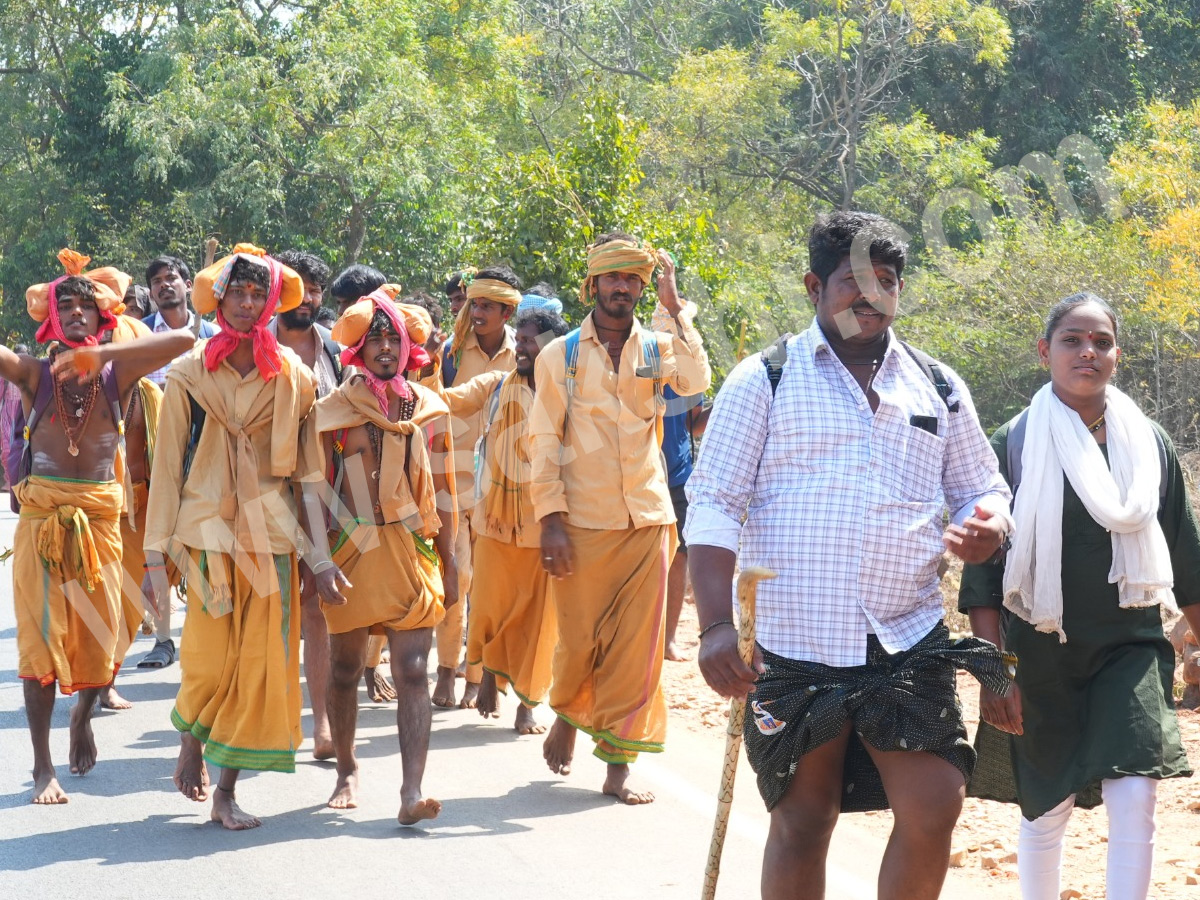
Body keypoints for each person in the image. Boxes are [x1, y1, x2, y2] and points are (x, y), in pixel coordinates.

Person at [687, 210, 1016, 900]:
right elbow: (713, 503)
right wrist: (716, 626)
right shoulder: (764, 379)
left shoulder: (939, 386)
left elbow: (981, 486)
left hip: (906, 635)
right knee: (806, 821)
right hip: (793, 644)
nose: (869, 297)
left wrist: (987, 522)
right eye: (851, 283)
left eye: (886, 282)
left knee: (935, 805)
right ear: (814, 286)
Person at [959, 292, 1200, 900]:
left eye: (1101, 341)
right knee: (1046, 806)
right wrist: (995, 672)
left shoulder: (1149, 445)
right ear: (1045, 351)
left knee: (1136, 791)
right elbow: (985, 573)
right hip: (1040, 651)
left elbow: (1187, 557)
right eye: (1072, 339)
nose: (1087, 352)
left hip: (1131, 645)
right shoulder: (1012, 442)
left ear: (1117, 355)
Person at [7, 248, 195, 805]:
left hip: (102, 525)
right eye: (64, 307)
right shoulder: (34, 374)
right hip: (42, 522)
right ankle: (43, 768)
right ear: (50, 321)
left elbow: (185, 343)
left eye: (86, 308)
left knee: (102, 635)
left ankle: (83, 717)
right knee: (40, 643)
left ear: (104, 319)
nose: (75, 315)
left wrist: (104, 355)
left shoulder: (119, 375)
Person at [530, 232, 711, 803]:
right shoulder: (561, 356)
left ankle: (617, 768)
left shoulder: (657, 348)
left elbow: (696, 381)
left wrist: (674, 303)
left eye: (633, 279)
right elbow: (542, 441)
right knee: (580, 640)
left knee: (637, 649)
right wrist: (550, 519)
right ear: (594, 284)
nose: (623, 289)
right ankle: (566, 712)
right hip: (582, 523)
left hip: (649, 519)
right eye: (614, 278)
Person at [143, 244, 320, 830]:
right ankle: (193, 738)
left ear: (271, 303)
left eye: (256, 295)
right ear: (219, 301)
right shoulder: (191, 371)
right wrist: (154, 551)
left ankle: (225, 791)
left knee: (256, 663)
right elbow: (166, 463)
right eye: (236, 294)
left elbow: (310, 472)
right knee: (208, 661)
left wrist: (320, 555)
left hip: (273, 534)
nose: (247, 304)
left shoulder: (294, 377)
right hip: (205, 532)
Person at [300, 290, 457, 823]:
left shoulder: (431, 407)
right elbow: (313, 489)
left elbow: (446, 487)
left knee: (413, 669)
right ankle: (347, 767)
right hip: (352, 549)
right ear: (358, 349)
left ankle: (411, 792)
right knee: (344, 670)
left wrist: (452, 559)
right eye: (376, 338)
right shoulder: (333, 411)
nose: (387, 347)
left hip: (413, 548)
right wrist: (319, 561)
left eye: (396, 337)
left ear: (410, 346)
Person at [445, 307, 570, 733]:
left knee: (537, 621)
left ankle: (527, 706)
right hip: (495, 525)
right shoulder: (498, 386)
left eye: (530, 339)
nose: (520, 345)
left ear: (553, 345)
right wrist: (414, 376)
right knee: (487, 610)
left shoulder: (573, 395)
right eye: (519, 338)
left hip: (546, 528)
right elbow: (448, 399)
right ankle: (486, 677)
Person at [436, 265, 522, 709]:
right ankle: (446, 670)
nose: (477, 313)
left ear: (508, 311)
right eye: (474, 304)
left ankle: (476, 676)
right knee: (457, 576)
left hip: (503, 489)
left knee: (487, 586)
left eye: (488, 306)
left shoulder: (525, 353)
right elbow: (431, 401)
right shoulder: (450, 351)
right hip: (449, 478)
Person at [272, 249, 344, 761]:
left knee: (318, 607)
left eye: (317, 290)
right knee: (270, 610)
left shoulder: (335, 350)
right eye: (301, 289)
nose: (311, 299)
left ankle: (321, 723)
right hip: (264, 496)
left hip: (327, 495)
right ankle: (270, 720)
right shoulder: (249, 346)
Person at [138, 254, 220, 669]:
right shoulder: (138, 337)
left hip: (205, 455)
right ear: (149, 292)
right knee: (155, 546)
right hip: (153, 458)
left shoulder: (214, 335)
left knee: (204, 545)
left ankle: (208, 635)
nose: (165, 286)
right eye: (157, 281)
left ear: (188, 284)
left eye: (172, 278)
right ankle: (163, 639)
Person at [100, 312, 166, 711]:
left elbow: (164, 459)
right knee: (97, 603)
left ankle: (106, 680)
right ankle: (92, 678)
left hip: (141, 512)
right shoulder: (82, 391)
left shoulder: (151, 397)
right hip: (96, 512)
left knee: (127, 605)